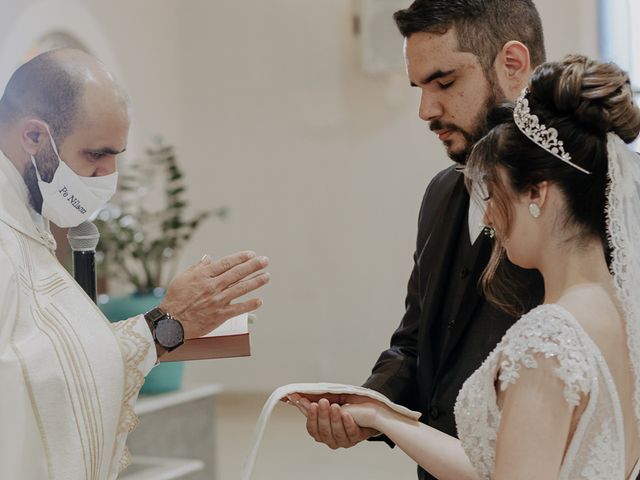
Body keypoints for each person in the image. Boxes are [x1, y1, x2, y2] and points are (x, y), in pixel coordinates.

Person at [318, 54, 640, 479]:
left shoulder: (549, 339)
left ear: (536, 194)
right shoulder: (615, 311)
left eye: (496, 193)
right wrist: (383, 416)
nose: (488, 217)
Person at [296, 2, 545, 478]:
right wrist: (370, 404)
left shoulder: (584, 201)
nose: (426, 110)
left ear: (512, 64)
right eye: (420, 87)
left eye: (445, 82)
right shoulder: (441, 193)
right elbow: (416, 340)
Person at [0, 48, 270, 479]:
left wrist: (171, 327)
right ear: (34, 137)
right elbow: (24, 390)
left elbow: (53, 357)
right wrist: (168, 324)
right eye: (95, 155)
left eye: (116, 157)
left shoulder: (25, 220)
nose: (108, 175)